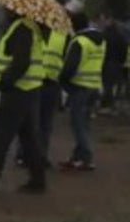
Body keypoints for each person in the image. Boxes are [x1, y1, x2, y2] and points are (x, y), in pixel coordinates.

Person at [0, 9, 48, 195]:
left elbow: (21, 63)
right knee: (28, 138)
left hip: (17, 91)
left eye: (8, 7)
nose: (4, 10)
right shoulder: (29, 27)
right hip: (29, 89)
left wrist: (3, 82)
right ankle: (37, 179)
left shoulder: (21, 29)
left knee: (1, 135)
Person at [59, 11, 106, 172]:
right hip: (94, 86)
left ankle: (86, 157)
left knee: (78, 125)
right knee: (85, 124)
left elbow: (70, 67)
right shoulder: (100, 41)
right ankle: (77, 157)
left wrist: (63, 82)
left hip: (79, 87)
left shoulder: (79, 42)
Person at [15, 24, 67, 165]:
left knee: (35, 121)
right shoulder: (60, 36)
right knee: (40, 122)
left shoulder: (34, 33)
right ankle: (34, 155)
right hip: (44, 82)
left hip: (42, 82)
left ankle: (31, 155)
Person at [100, 16, 127, 109]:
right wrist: (121, 62)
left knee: (106, 84)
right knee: (112, 85)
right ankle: (111, 103)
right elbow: (124, 51)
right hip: (116, 63)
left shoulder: (103, 36)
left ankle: (106, 104)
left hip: (106, 62)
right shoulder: (120, 37)